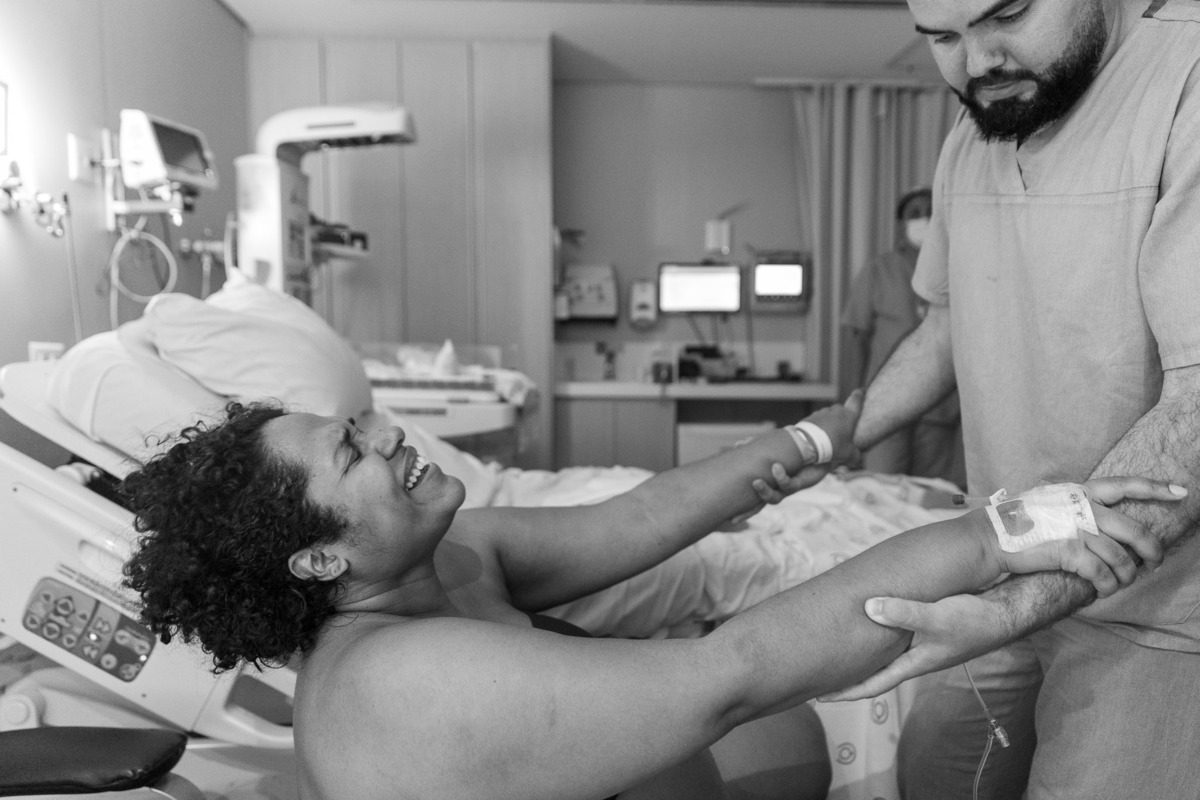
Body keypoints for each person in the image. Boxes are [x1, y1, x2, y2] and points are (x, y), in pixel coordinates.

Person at [118, 394, 1175, 800]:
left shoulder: (448, 563)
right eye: (354, 452)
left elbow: (639, 518)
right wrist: (1002, 530)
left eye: (359, 423)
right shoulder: (400, 680)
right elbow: (731, 674)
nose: (390, 434)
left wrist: (814, 438)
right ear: (315, 560)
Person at [838, 1, 1200, 797]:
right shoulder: (980, 129)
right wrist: (827, 439)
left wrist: (1010, 610)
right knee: (932, 774)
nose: (976, 64)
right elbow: (944, 326)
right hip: (1009, 554)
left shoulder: (1185, 82)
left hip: (1155, 606)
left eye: (1006, 14)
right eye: (941, 37)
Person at [841, 186, 964, 486]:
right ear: (899, 225)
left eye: (930, 212)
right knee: (879, 492)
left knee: (931, 496)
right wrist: (849, 407)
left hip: (939, 410)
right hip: (884, 406)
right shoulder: (879, 271)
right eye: (914, 214)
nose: (924, 219)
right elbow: (855, 340)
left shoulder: (959, 270)